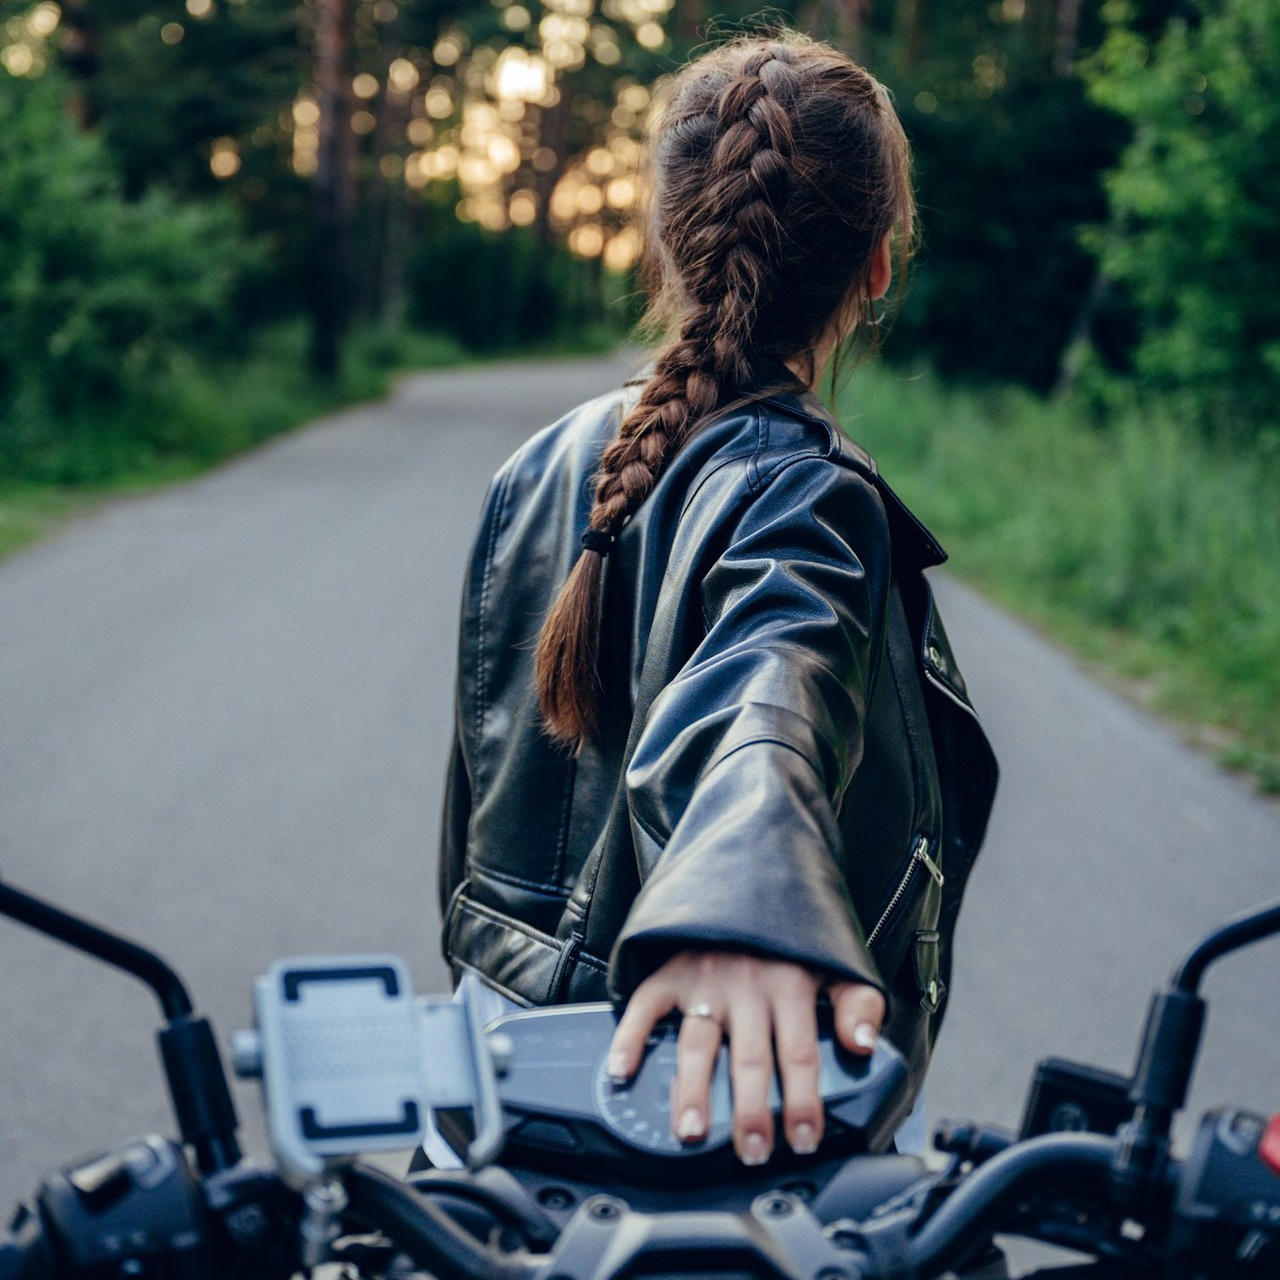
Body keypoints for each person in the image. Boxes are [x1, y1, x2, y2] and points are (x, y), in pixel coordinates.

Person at [434, 31, 998, 1169]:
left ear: (663, 237)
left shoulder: (538, 467)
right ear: (876, 267)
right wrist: (747, 904)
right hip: (707, 1098)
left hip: (488, 1086)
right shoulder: (803, 486)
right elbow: (770, 681)